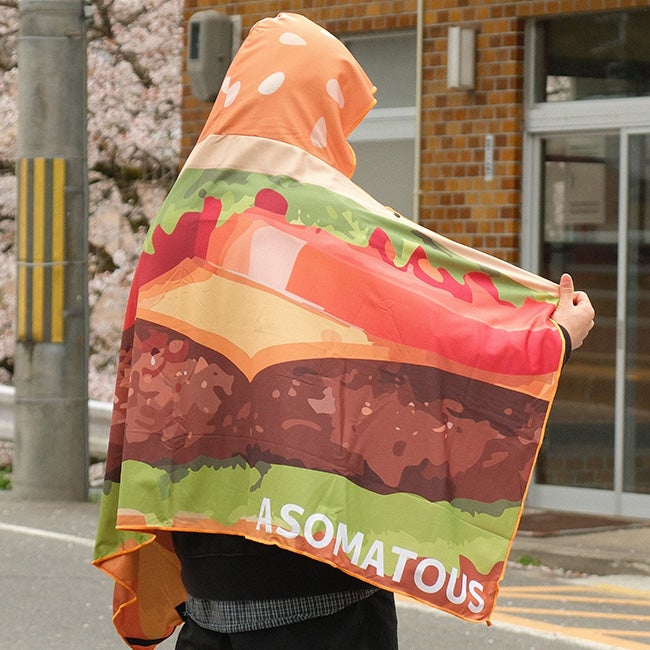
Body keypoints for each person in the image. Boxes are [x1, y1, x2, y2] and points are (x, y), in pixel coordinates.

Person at [93, 13, 594, 650]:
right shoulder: (320, 224)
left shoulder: (178, 225)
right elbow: (433, 330)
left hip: (209, 587)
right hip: (314, 592)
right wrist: (554, 336)